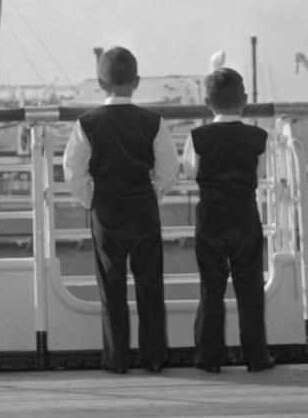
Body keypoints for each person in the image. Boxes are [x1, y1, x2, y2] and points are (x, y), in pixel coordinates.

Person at [63, 46, 179, 374]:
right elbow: (168, 170)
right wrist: (152, 194)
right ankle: (154, 356)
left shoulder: (87, 124)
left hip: (107, 209)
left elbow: (73, 172)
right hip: (143, 206)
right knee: (150, 283)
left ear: (101, 83)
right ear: (137, 81)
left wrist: (92, 199)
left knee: (111, 285)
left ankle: (116, 359)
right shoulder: (153, 122)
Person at [182, 67, 276, 373]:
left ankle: (208, 358)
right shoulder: (259, 137)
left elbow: (191, 172)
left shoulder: (197, 137)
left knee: (211, 289)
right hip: (245, 214)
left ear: (208, 101)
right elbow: (259, 175)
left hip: (211, 216)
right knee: (250, 288)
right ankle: (256, 356)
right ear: (244, 100)